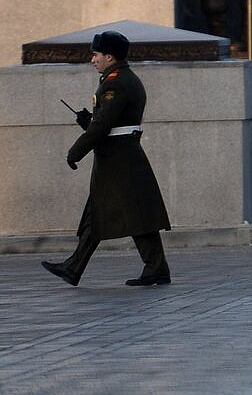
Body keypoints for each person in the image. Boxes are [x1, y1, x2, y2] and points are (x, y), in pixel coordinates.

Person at [41, 30, 172, 287]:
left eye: (96, 54)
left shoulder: (115, 83)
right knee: (111, 213)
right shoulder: (123, 78)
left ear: (109, 56)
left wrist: (76, 151)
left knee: (133, 214)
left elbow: (103, 125)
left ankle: (154, 268)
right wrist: (88, 122)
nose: (93, 59)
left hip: (118, 159)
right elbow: (109, 122)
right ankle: (75, 267)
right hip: (121, 155)